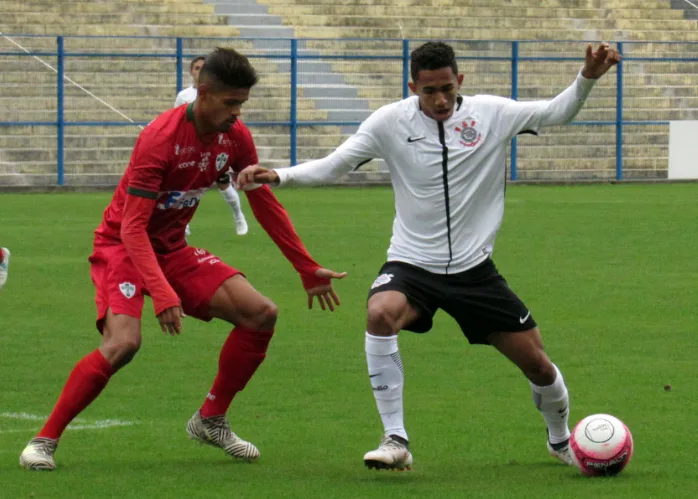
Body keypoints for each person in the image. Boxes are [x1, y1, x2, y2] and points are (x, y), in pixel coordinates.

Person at [238, 41, 622, 471]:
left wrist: (587, 76)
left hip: (475, 272)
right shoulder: (389, 122)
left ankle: (559, 439)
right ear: (412, 87)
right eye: (428, 91)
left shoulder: (492, 114)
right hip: (411, 263)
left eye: (446, 88)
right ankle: (395, 438)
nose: (439, 99)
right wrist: (280, 175)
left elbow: (557, 112)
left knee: (538, 365)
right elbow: (337, 163)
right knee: (380, 312)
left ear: (460, 80)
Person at [19, 47, 345, 471]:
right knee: (123, 344)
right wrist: (163, 292)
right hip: (123, 247)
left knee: (260, 313)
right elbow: (132, 228)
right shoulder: (160, 138)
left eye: (242, 104)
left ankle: (211, 419)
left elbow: (262, 200)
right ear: (203, 93)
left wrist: (305, 266)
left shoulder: (235, 136)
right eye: (231, 103)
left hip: (171, 249)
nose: (237, 113)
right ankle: (44, 441)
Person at [177, 55, 249, 237]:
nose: (199, 71)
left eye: (203, 67)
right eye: (196, 68)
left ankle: (238, 215)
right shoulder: (183, 96)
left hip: (214, 148)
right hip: (191, 149)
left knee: (224, 184)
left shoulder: (217, 93)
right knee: (184, 187)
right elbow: (179, 120)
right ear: (191, 71)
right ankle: (181, 225)